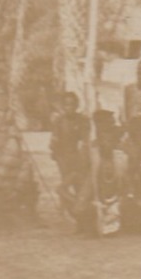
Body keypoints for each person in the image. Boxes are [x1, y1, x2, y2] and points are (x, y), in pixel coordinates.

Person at [49, 93, 92, 230]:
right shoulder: (59, 121)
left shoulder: (82, 120)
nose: (69, 108)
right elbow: (54, 141)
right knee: (65, 189)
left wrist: (84, 157)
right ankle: (72, 217)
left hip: (78, 159)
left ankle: (82, 222)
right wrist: (54, 150)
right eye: (66, 104)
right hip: (64, 159)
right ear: (63, 106)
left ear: (76, 106)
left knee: (80, 189)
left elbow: (86, 141)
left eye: (72, 104)